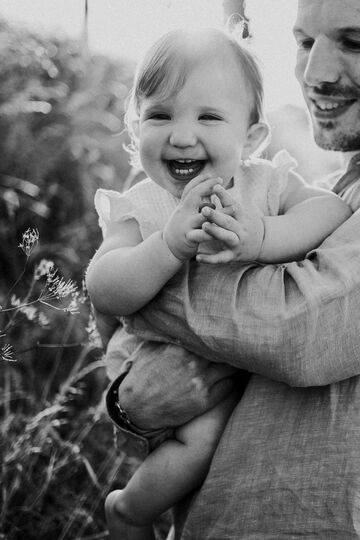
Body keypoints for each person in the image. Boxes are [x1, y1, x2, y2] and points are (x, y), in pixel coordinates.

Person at [95, 0, 360, 538]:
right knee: (195, 439)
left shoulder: (267, 185)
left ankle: (129, 512)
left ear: (253, 138)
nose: (182, 135)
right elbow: (101, 287)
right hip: (208, 493)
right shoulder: (142, 206)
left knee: (203, 436)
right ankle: (130, 512)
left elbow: (295, 325)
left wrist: (261, 236)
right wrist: (166, 246)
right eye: (160, 115)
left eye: (354, 41)